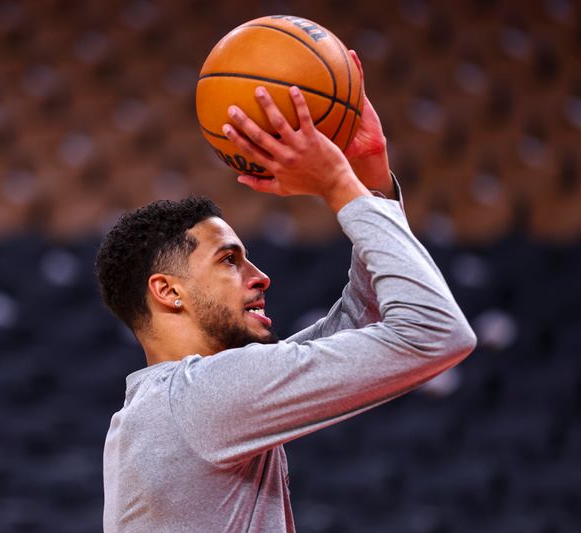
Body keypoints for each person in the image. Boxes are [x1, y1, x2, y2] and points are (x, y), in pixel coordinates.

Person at [96, 52, 476, 532]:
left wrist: (368, 175)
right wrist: (338, 186)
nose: (260, 276)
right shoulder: (202, 398)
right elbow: (436, 332)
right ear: (169, 292)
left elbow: (366, 319)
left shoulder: (175, 401)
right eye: (229, 260)